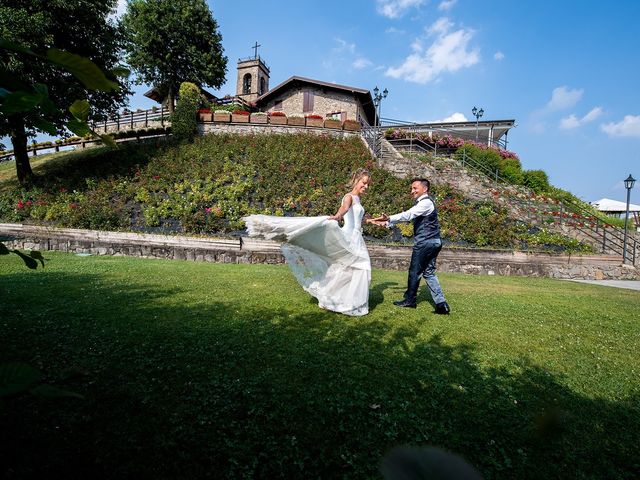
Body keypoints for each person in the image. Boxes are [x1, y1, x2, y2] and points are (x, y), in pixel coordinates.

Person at [243, 169, 375, 316]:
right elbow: (344, 209)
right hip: (349, 237)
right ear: (356, 180)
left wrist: (372, 221)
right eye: (364, 183)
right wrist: (337, 216)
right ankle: (341, 301)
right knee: (360, 267)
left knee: (351, 269)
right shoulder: (348, 197)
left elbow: (358, 219)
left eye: (368, 184)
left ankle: (342, 301)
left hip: (356, 238)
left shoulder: (358, 199)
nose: (366, 187)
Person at [377, 177, 450, 314]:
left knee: (414, 271)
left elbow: (409, 215)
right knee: (428, 273)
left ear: (425, 189)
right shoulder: (423, 204)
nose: (412, 191)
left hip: (425, 242)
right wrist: (387, 224)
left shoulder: (426, 203)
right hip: (434, 242)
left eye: (415, 188)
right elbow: (410, 216)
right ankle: (441, 305)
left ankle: (410, 300)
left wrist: (389, 218)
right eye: (412, 188)